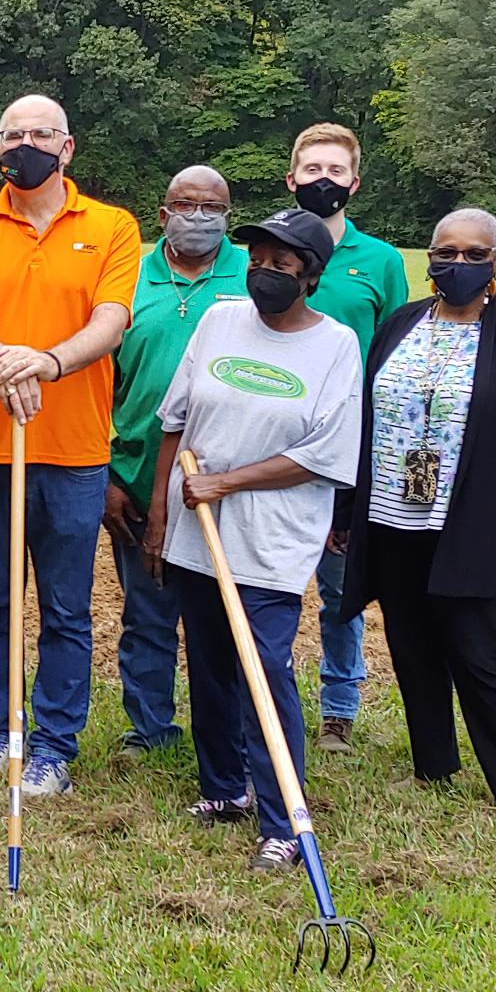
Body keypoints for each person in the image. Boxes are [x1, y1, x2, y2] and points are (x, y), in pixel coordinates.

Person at [338, 208, 496, 825]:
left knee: (478, 652)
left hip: (477, 522)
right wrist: (349, 511)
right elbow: (365, 422)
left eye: (475, 255)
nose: (459, 265)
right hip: (394, 515)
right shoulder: (400, 323)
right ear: (429, 259)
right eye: (446, 252)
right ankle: (433, 764)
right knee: (411, 643)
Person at [143, 207, 363, 871]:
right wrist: (160, 512)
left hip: (272, 539)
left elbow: (326, 454)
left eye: (282, 264)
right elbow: (174, 421)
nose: (266, 273)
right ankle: (222, 789)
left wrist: (228, 483)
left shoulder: (336, 346)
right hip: (197, 532)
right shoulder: (219, 320)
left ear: (311, 275)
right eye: (258, 260)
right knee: (208, 662)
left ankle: (283, 821)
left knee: (264, 668)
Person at [0, 94, 143, 794]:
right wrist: (1, 360)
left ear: (67, 148)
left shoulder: (113, 227)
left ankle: (55, 743)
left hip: (75, 448)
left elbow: (112, 320)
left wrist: (47, 362)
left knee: (65, 606)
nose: (25, 143)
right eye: (12, 135)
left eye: (40, 133)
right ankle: (2, 730)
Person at [105, 165, 248, 758]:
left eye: (211, 206)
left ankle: (234, 729)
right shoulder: (126, 277)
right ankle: (151, 728)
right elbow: (96, 380)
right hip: (137, 470)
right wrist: (107, 474)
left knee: (229, 616)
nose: (198, 216)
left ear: (228, 216)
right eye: (185, 205)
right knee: (147, 609)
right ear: (162, 214)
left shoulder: (252, 274)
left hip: (232, 478)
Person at [287, 121, 408, 753]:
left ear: (354, 183)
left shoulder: (381, 261)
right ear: (292, 178)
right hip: (275, 436)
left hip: (349, 442)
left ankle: (339, 706)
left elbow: (395, 352)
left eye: (336, 173)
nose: (323, 182)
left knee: (338, 586)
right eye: (312, 171)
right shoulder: (271, 247)